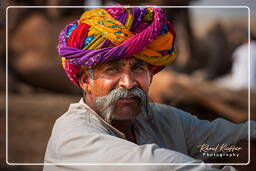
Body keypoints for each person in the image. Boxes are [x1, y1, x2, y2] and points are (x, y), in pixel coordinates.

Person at [44, 6, 255, 171]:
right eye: (113, 70)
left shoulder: (165, 120)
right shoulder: (73, 138)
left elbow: (235, 138)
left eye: (138, 68)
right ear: (85, 81)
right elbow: (153, 166)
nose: (128, 82)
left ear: (150, 74)